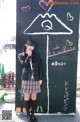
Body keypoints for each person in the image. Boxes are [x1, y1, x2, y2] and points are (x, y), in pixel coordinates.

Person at [18, 40, 42, 122]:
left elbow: (39, 67)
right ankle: (28, 115)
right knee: (27, 97)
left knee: (34, 97)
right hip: (26, 79)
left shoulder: (37, 55)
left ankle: (32, 115)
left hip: (35, 79)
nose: (31, 47)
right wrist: (28, 56)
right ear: (26, 45)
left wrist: (40, 78)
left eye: (33, 46)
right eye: (30, 45)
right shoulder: (21, 55)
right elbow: (24, 65)